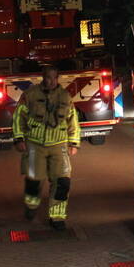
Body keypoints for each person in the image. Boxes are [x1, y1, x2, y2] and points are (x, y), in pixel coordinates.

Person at [12, 65, 80, 230]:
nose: (52, 81)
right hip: (35, 144)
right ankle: (31, 206)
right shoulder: (30, 95)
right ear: (43, 77)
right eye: (49, 78)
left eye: (55, 78)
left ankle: (57, 217)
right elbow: (19, 117)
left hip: (59, 145)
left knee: (62, 182)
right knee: (34, 181)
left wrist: (74, 142)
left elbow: (73, 120)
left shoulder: (65, 96)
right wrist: (18, 138)